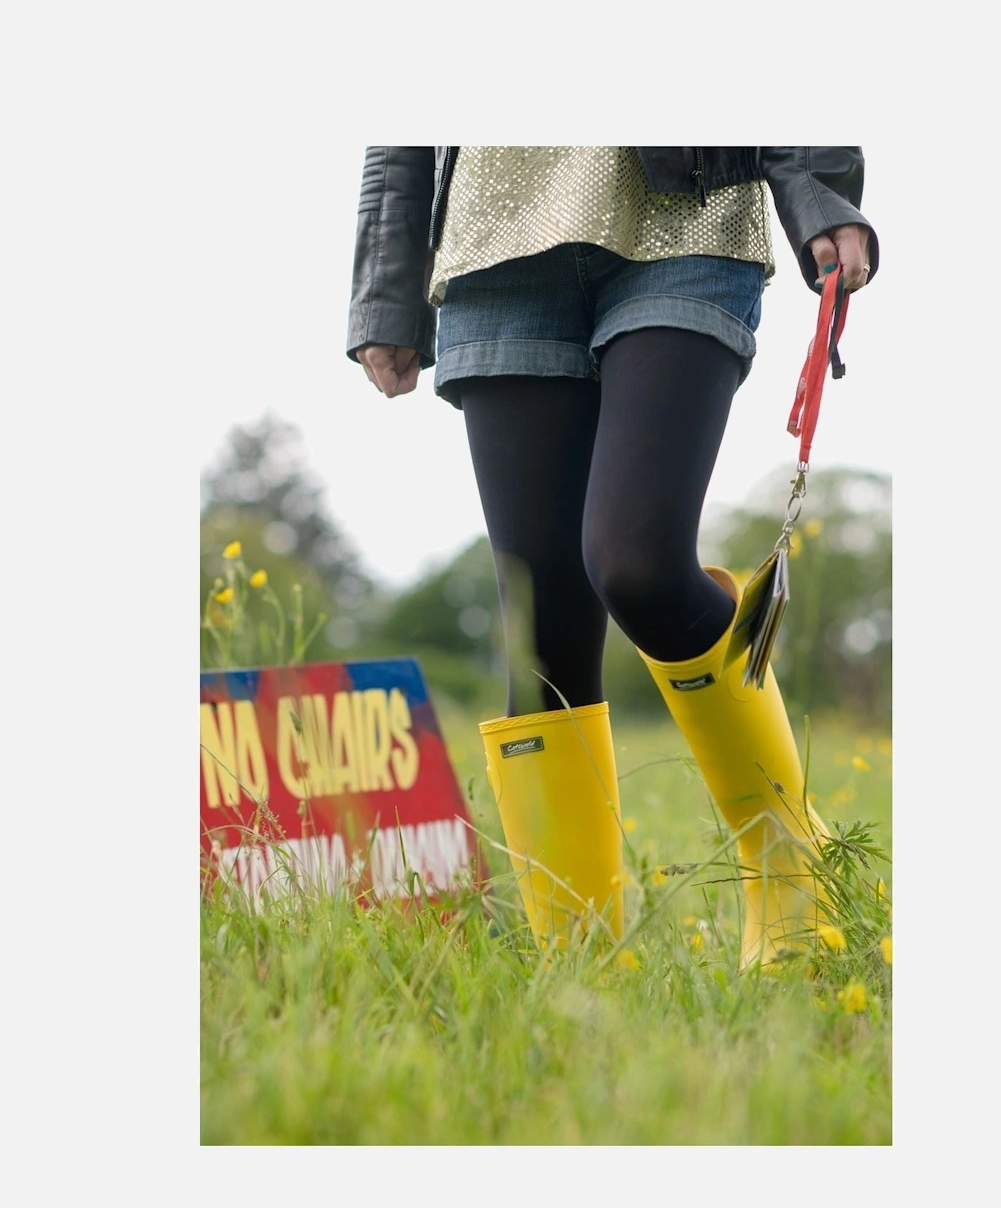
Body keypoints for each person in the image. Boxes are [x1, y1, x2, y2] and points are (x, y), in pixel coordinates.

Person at [346, 147, 878, 965]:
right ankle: (578, 962)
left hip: (686, 213)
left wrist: (817, 190)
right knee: (541, 632)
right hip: (497, 238)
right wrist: (388, 285)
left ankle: (787, 859)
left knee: (638, 563)